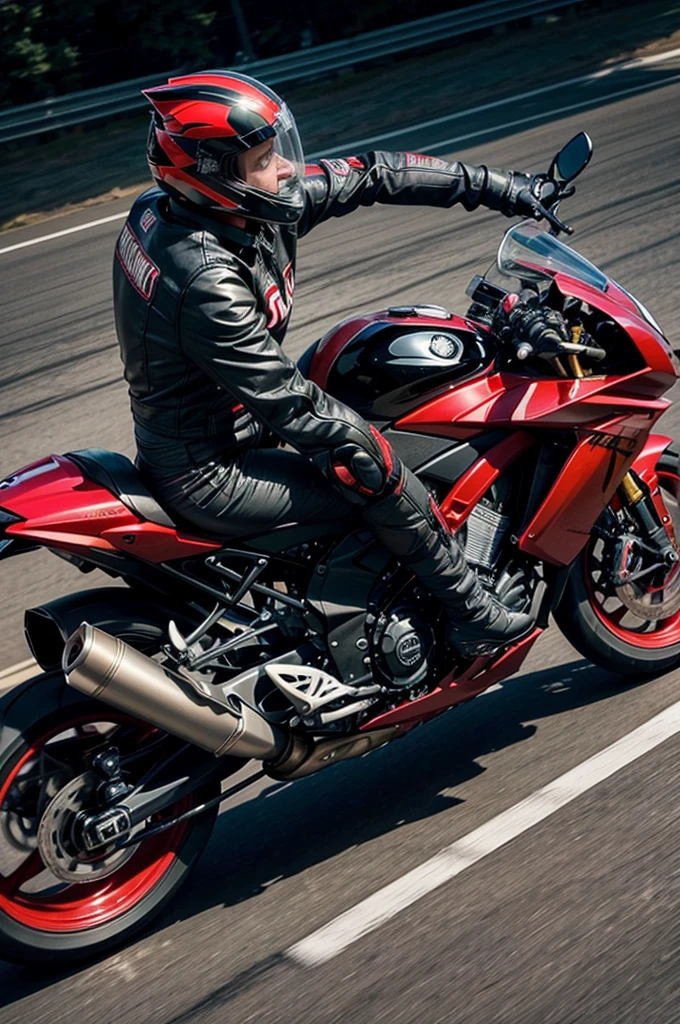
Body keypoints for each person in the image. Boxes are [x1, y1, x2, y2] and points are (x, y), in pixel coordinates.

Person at [113, 70, 550, 656]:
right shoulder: (205, 278)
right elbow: (290, 403)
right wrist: (367, 449)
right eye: (265, 159)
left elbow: (371, 173)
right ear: (215, 176)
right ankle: (471, 610)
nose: (287, 169)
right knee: (379, 467)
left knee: (352, 379)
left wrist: (504, 187)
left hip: (228, 421)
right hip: (211, 470)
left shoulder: (215, 211)